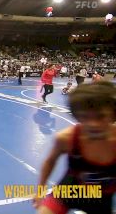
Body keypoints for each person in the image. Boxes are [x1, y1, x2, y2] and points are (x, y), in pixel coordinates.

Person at [34, 81, 116, 214]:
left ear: (113, 115)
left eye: (101, 116)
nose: (93, 124)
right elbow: (50, 161)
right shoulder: (66, 138)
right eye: (84, 117)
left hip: (102, 199)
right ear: (77, 116)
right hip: (69, 190)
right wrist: (40, 191)